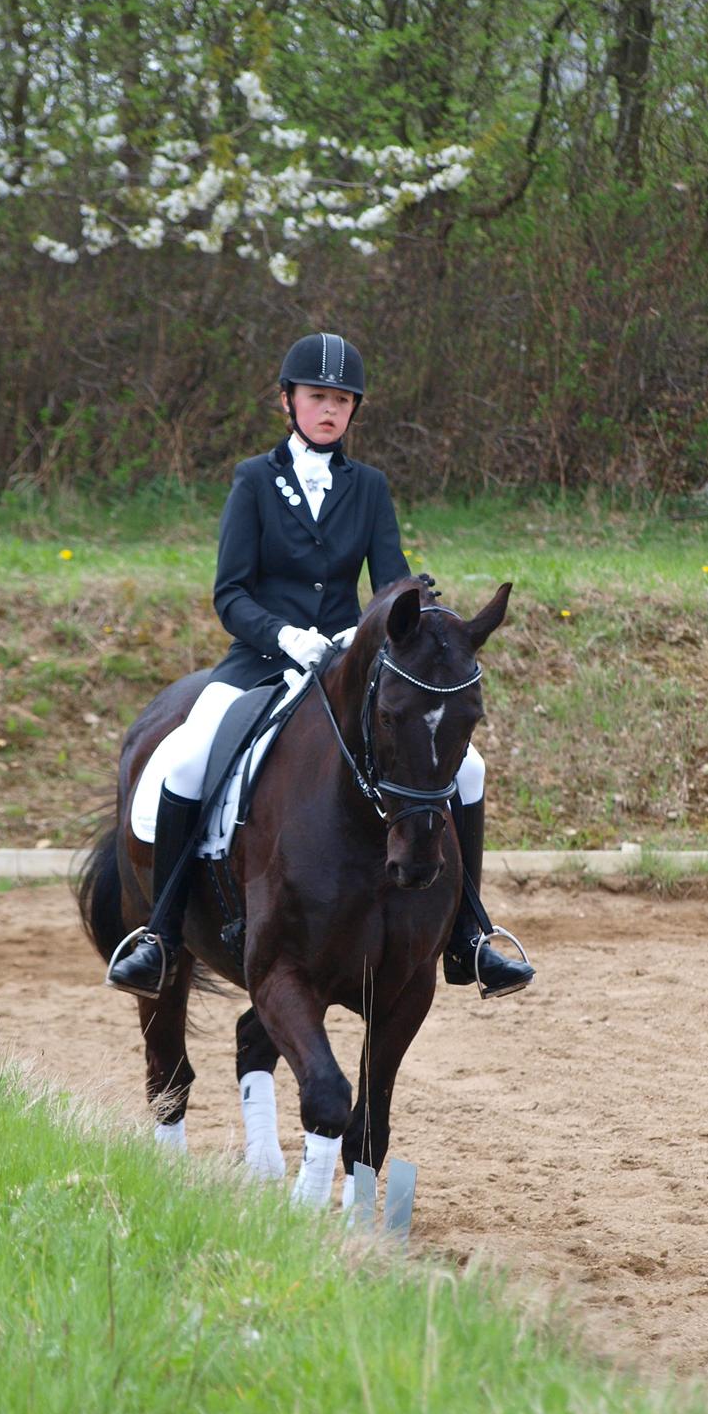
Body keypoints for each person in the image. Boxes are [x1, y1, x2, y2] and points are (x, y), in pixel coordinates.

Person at [108, 332, 533, 1001]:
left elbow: (390, 584)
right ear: (288, 402)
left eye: (341, 400)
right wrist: (285, 637)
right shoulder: (253, 479)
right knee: (186, 758)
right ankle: (161, 934)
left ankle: (469, 935)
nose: (329, 410)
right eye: (317, 398)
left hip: (346, 666)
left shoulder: (369, 488)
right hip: (258, 661)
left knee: (468, 768)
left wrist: (400, 617)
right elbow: (230, 593)